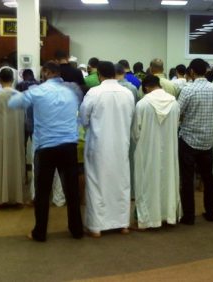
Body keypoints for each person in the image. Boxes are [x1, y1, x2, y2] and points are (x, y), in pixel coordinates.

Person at [8, 61, 83, 242]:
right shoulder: (71, 92)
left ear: (47, 73)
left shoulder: (37, 91)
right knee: (72, 191)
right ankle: (77, 230)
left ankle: (39, 232)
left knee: (42, 193)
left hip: (46, 148)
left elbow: (13, 103)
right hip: (69, 146)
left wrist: (25, 91)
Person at [80, 61, 135, 237]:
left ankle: (96, 227)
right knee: (121, 182)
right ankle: (122, 224)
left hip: (99, 145)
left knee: (97, 183)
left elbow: (83, 118)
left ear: (99, 75)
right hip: (121, 145)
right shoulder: (127, 93)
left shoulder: (94, 93)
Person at [132, 74, 181, 229]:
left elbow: (135, 132)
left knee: (147, 181)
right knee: (168, 179)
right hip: (169, 149)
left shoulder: (142, 105)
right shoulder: (174, 103)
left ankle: (148, 219)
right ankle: (169, 215)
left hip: (147, 151)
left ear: (146, 87)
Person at [178, 58, 213, 224]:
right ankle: (210, 213)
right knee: (208, 178)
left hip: (188, 139)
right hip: (208, 139)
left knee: (187, 179)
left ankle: (189, 216)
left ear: (192, 72)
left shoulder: (188, 90)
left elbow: (178, 111)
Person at [0, 68, 26, 208]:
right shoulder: (20, 96)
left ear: (0, 79)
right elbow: (24, 118)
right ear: (13, 79)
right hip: (16, 135)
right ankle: (17, 198)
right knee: (16, 162)